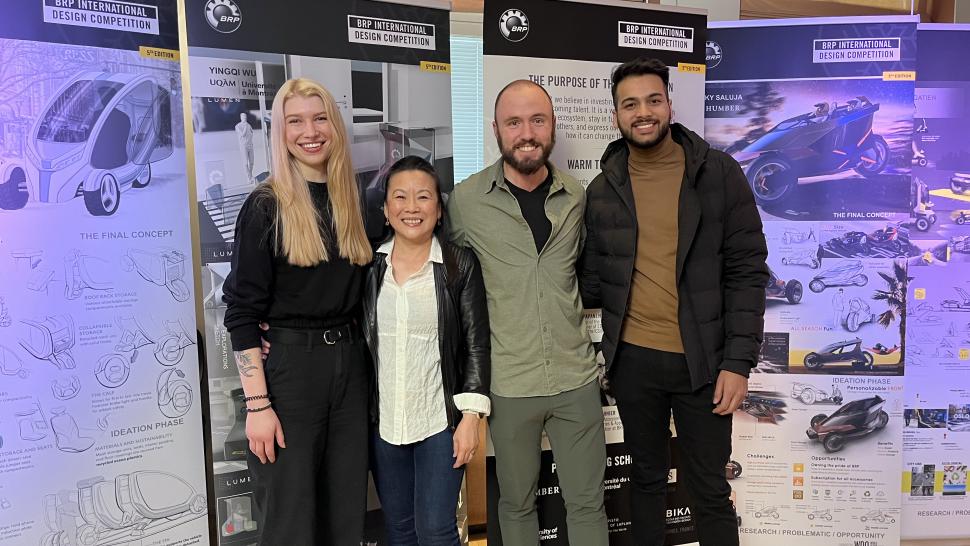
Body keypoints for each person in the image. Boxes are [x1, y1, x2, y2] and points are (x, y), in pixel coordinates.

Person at [579, 57, 768, 546]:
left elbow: (747, 271)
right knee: (645, 483)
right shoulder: (603, 189)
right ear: (616, 115)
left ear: (668, 103)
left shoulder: (719, 174)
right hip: (635, 363)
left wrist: (739, 362)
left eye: (652, 100)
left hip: (704, 364)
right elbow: (593, 279)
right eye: (630, 104)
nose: (643, 112)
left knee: (708, 489)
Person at [447, 80, 608, 545]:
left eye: (537, 120)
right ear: (496, 129)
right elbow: (449, 288)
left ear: (553, 126)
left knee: (587, 504)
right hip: (509, 385)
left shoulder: (576, 196)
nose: (526, 132)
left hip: (576, 378)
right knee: (515, 506)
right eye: (514, 122)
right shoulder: (466, 202)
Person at [222, 77, 373, 544]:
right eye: (295, 121)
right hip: (289, 376)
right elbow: (241, 312)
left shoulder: (356, 202)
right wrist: (258, 404)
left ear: (335, 125)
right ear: (280, 132)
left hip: (350, 369)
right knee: (290, 519)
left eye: (320, 117)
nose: (310, 131)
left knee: (346, 514)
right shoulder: (265, 206)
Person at [362, 155, 491, 545]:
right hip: (384, 423)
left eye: (423, 197)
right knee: (400, 530)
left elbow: (475, 342)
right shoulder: (368, 265)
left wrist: (471, 417)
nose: (411, 208)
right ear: (386, 210)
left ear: (439, 208)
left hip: (440, 421)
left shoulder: (458, 265)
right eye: (400, 197)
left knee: (436, 530)